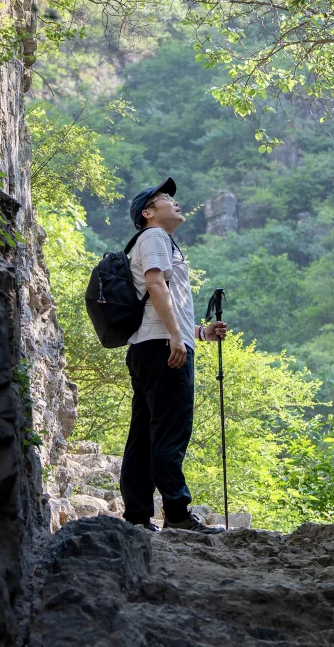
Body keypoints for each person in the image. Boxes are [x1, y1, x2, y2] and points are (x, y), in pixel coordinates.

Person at [119, 177, 228, 533]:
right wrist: (177, 338)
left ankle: (137, 516)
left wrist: (199, 332)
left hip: (150, 345)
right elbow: (154, 283)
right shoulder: (154, 238)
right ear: (148, 213)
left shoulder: (161, 241)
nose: (174, 201)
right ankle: (178, 514)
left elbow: (163, 299)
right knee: (171, 430)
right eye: (165, 197)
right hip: (163, 347)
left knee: (144, 435)